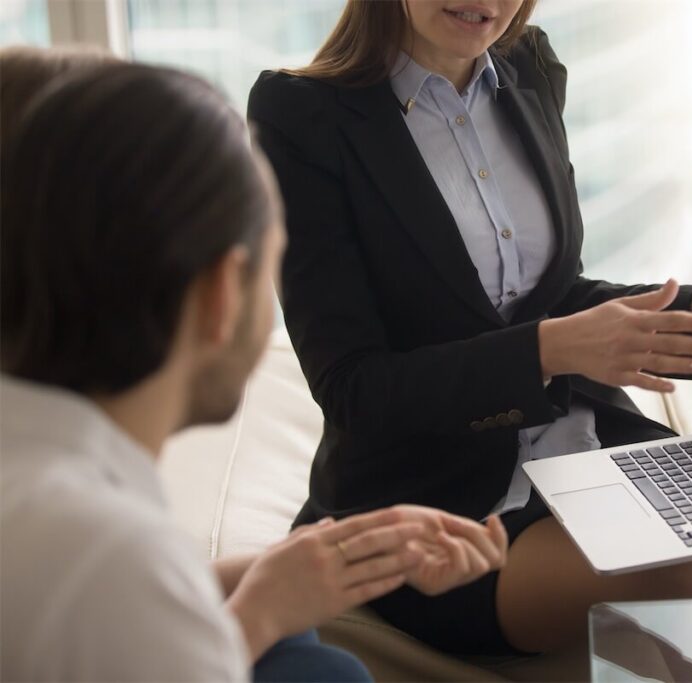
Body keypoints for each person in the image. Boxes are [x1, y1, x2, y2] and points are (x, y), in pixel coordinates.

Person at [247, 0, 692, 657]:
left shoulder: (529, 66)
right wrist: (547, 351)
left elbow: (551, 294)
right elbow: (354, 387)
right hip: (431, 497)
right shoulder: (302, 117)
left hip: (583, 441)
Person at [0, 55, 507, 681]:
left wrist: (330, 557)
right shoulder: (107, 553)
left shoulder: (43, 482)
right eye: (272, 268)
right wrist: (262, 614)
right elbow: (124, 593)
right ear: (220, 297)